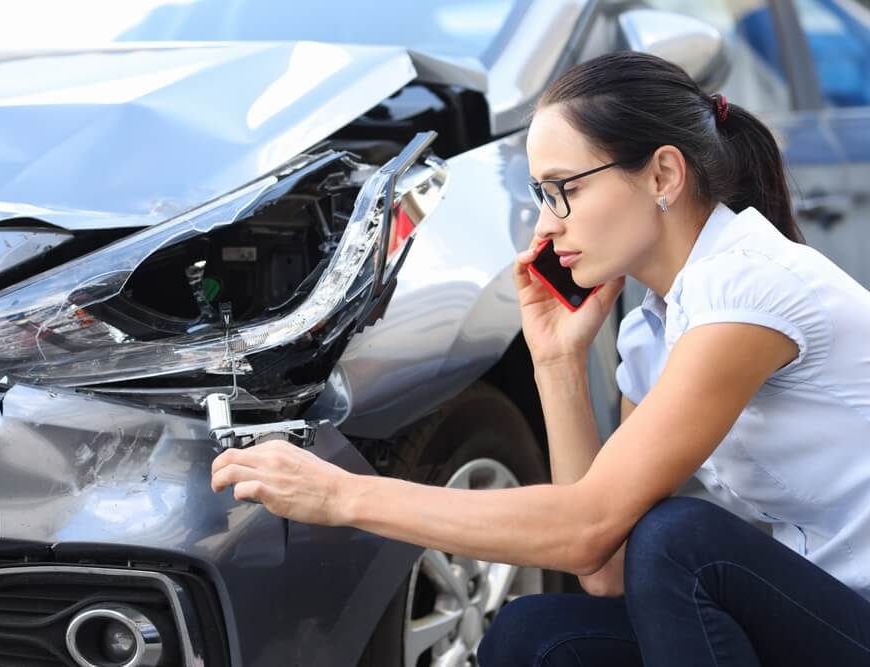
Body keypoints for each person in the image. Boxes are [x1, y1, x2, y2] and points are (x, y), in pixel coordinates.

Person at [210, 51, 870, 665]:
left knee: (681, 539)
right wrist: (556, 360)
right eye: (541, 196)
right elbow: (605, 567)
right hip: (828, 613)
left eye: (565, 190)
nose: (548, 227)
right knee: (532, 634)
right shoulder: (653, 331)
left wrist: (341, 494)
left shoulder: (747, 282)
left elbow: (591, 528)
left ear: (663, 174)